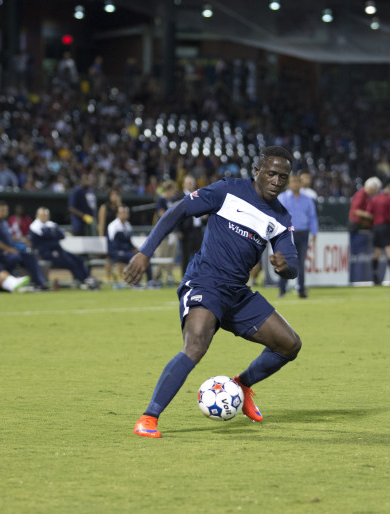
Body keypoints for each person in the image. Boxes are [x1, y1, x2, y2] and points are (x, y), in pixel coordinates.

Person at [126, 145, 302, 438]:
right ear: (257, 171)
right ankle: (149, 417)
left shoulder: (281, 218)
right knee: (196, 343)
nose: (276, 181)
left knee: (290, 344)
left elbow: (292, 262)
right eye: (271, 173)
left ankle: (242, 385)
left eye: (283, 176)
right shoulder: (227, 191)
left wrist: (286, 267)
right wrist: (145, 252)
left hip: (237, 293)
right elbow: (177, 211)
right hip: (205, 282)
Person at [29, 206, 100, 289]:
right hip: (45, 253)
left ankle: (87, 278)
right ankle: (82, 280)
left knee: (78, 259)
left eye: (46, 215)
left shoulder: (51, 224)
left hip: (59, 250)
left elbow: (61, 235)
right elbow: (48, 237)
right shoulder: (34, 226)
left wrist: (51, 234)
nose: (44, 217)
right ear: (37, 216)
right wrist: (52, 234)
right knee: (71, 262)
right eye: (42, 215)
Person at [0, 200, 47, 288]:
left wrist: (21, 240)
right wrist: (8, 249)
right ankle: (6, 284)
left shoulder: (4, 223)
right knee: (13, 258)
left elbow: (9, 237)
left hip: (11, 250)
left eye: (6, 210)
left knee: (30, 256)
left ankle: (39, 283)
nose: (4, 212)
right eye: (2, 210)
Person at [277, 172, 318, 297]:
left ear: (300, 183)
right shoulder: (282, 198)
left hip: (303, 233)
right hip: (287, 233)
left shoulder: (307, 200)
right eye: (293, 181)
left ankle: (301, 289)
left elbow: (312, 216)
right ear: (289, 184)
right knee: (285, 261)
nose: (295, 184)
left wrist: (314, 232)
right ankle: (282, 289)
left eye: (297, 182)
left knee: (300, 262)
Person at [370, 179, 390, 286]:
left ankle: (375, 278)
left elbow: (370, 214)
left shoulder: (375, 198)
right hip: (386, 227)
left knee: (376, 253)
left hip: (376, 227)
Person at [176, 175, 206, 274]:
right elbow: (176, 216)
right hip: (186, 230)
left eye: (192, 182)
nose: (191, 184)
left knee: (199, 254)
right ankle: (184, 277)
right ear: (183, 184)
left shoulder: (197, 196)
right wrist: (178, 230)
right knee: (185, 255)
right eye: (189, 182)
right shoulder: (180, 197)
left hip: (197, 229)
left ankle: (197, 276)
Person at [97, 188, 122, 282]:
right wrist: (101, 237)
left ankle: (120, 276)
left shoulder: (119, 208)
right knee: (108, 256)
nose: (115, 197)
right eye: (113, 195)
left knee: (120, 255)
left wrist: (119, 204)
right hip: (107, 235)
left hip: (118, 235)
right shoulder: (104, 207)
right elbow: (101, 223)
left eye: (116, 195)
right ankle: (108, 276)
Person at [68, 171, 98, 236]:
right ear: (81, 180)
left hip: (91, 221)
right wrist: (84, 216)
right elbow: (71, 208)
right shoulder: (76, 191)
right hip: (79, 222)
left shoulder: (91, 191)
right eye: (85, 179)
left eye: (89, 179)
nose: (87, 181)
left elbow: (93, 206)